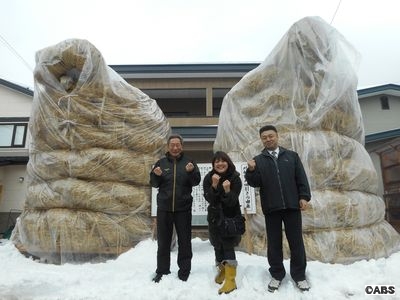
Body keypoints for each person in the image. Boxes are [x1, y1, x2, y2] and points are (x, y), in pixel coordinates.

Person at [245, 125, 311, 292]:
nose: (268, 139)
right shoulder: (258, 160)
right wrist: (251, 171)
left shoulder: (291, 156)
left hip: (292, 206)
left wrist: (303, 197)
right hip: (271, 208)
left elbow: (301, 178)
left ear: (277, 136)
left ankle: (299, 276)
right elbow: (255, 183)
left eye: (271, 136)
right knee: (274, 244)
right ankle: (276, 274)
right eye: (264, 137)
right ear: (261, 140)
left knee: (296, 242)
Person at [150, 134, 201, 283]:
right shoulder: (160, 162)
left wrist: (191, 172)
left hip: (183, 209)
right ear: (168, 147)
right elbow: (153, 183)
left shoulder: (189, 162)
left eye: (178, 144)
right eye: (172, 145)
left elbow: (196, 181)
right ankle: (162, 270)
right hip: (164, 208)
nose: (175, 147)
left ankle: (184, 271)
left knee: (185, 242)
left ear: (182, 146)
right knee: (163, 242)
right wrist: (156, 175)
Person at [203, 151, 243, 294]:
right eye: (217, 162)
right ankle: (222, 270)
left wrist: (227, 190)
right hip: (214, 217)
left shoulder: (235, 178)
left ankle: (231, 279)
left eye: (223, 161)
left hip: (230, 217)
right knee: (216, 245)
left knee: (228, 245)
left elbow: (232, 202)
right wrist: (214, 185)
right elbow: (209, 199)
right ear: (213, 164)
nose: (220, 164)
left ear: (228, 162)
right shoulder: (209, 178)